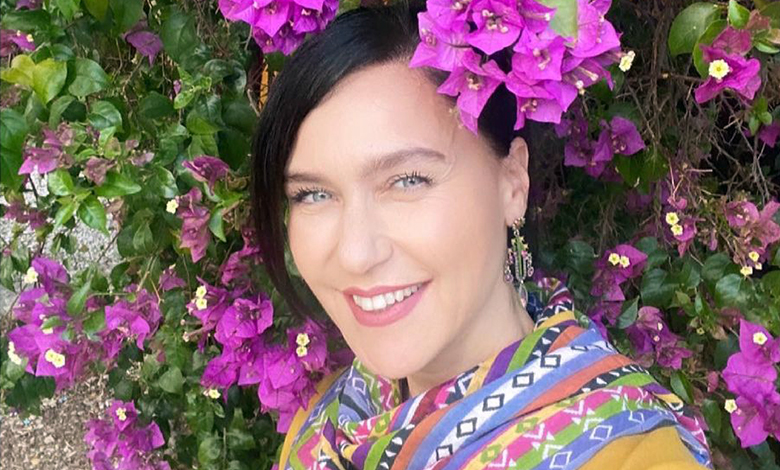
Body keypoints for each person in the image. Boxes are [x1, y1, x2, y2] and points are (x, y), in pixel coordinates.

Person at [250, 1, 713, 468]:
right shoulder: (330, 419)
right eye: (312, 194)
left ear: (512, 182)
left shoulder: (631, 455)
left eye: (408, 181)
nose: (355, 253)